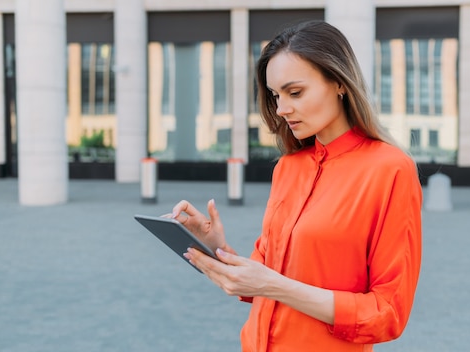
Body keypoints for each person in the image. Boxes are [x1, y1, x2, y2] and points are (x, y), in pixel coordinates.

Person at [170, 20, 422, 351]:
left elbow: (387, 313)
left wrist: (275, 286)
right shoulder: (288, 168)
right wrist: (218, 250)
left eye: (295, 92)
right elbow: (261, 279)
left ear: (338, 83)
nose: (282, 109)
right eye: (275, 95)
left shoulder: (390, 170)